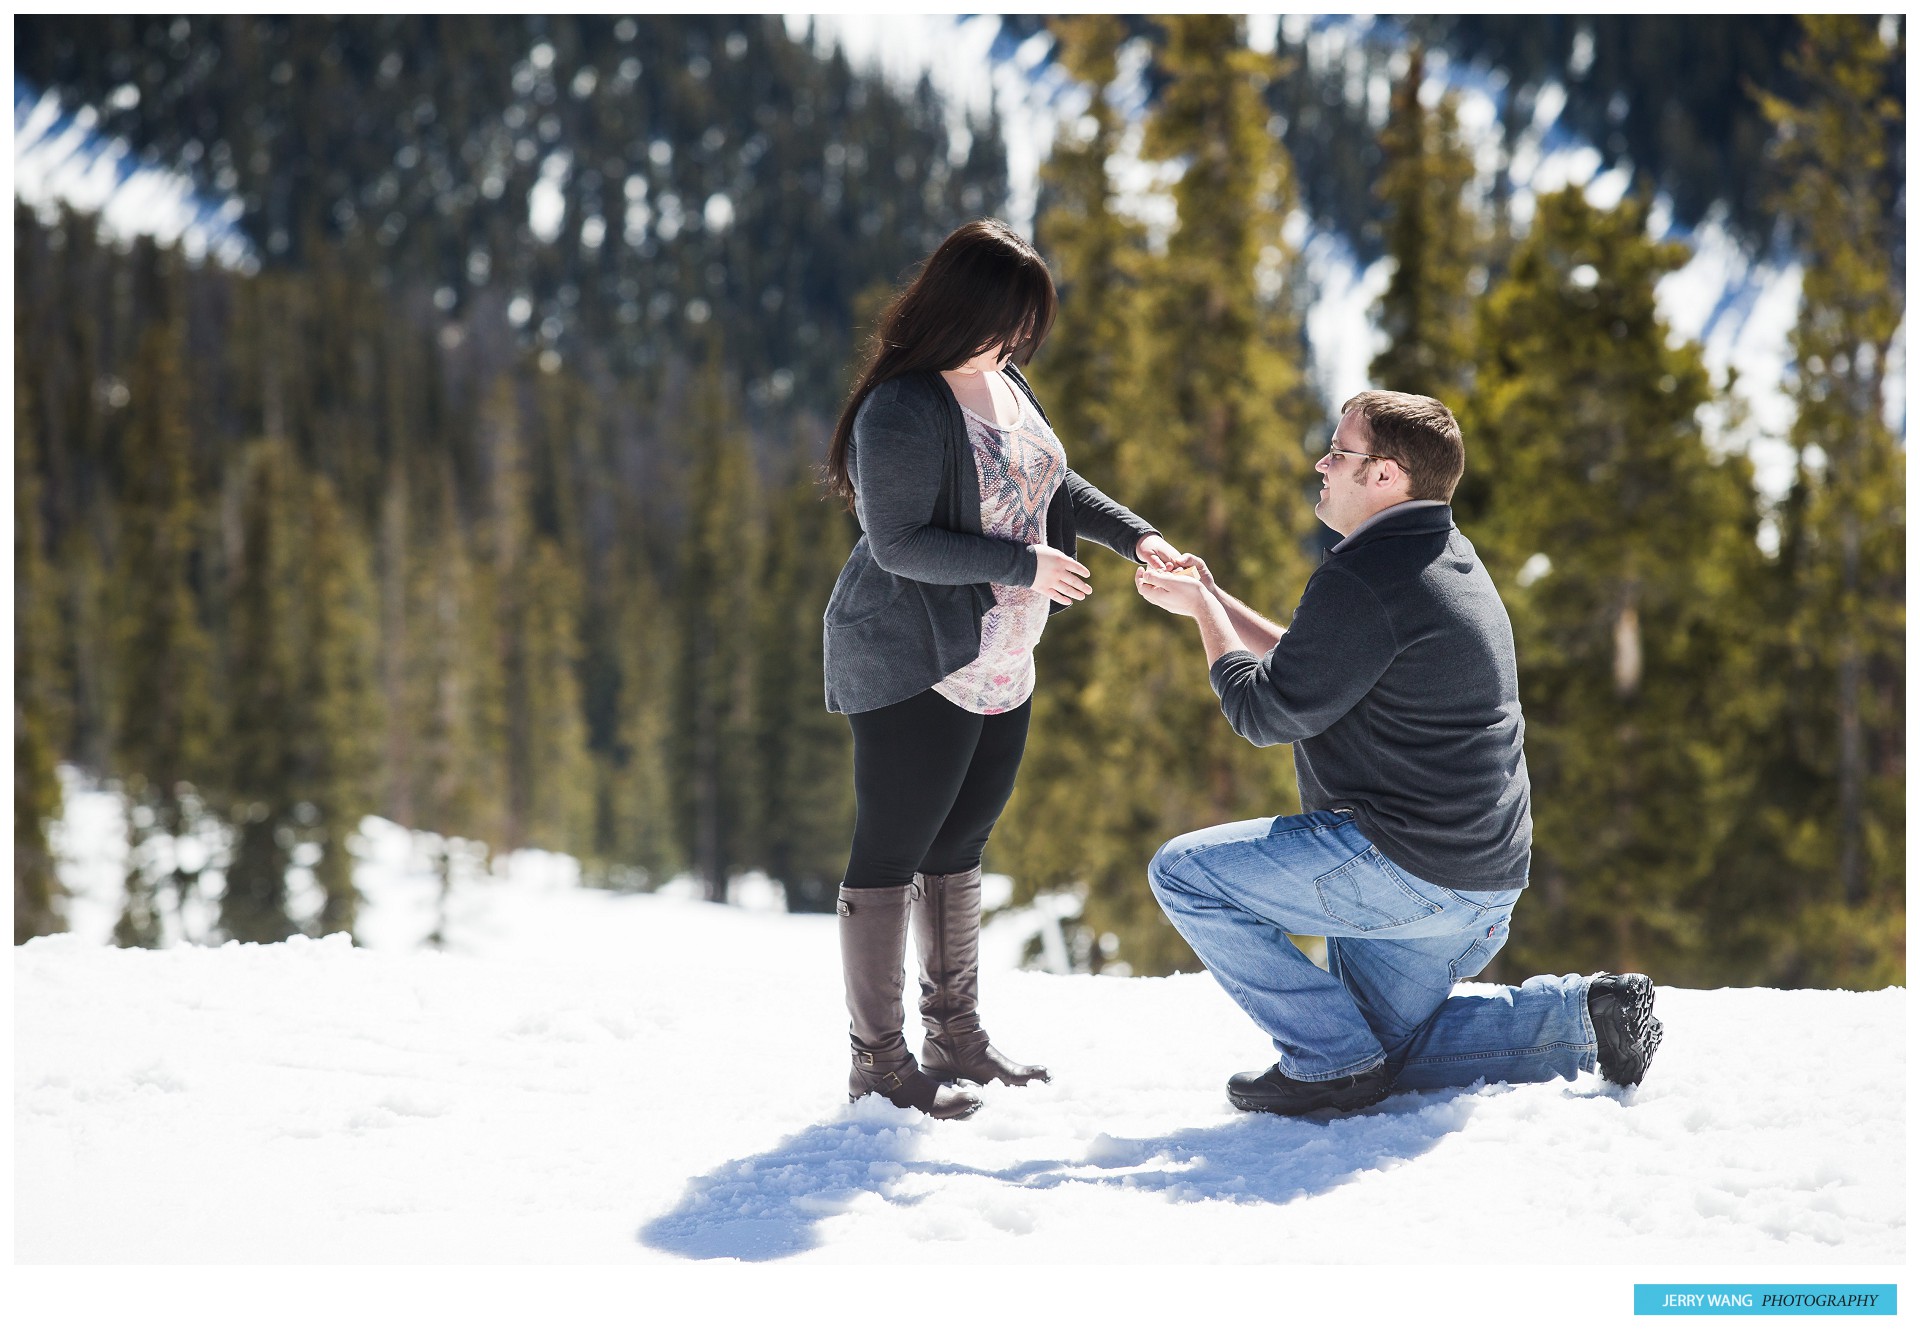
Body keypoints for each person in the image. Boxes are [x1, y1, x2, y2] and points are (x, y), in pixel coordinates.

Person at [1133, 390, 1662, 1116]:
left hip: (1405, 872)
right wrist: (1217, 599)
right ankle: (1584, 1021)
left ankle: (1327, 1063)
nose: (1322, 463)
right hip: (1481, 884)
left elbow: (1262, 710)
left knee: (1185, 875)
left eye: (1340, 453)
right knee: (1386, 1052)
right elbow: (1312, 665)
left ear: (1386, 476)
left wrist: (1201, 617)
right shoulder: (1443, 557)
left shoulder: (1363, 577)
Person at [823, 219, 1185, 1120]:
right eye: (1007, 322)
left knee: (960, 846)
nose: (1017, 342)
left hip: (1001, 660)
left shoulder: (1005, 383)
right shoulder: (902, 408)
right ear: (959, 310)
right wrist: (1026, 567)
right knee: (892, 851)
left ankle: (957, 1040)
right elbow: (898, 543)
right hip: (917, 658)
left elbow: (1053, 484)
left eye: (1027, 327)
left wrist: (1138, 534)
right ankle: (879, 1062)